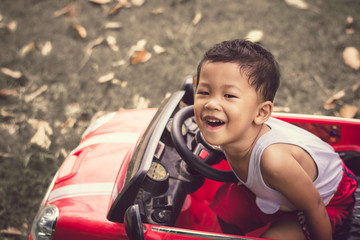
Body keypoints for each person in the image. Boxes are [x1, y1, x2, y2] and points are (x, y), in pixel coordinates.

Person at [193, 39, 358, 240]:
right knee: (227, 203)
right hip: (283, 194)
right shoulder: (231, 130)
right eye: (203, 92)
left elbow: (315, 208)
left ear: (261, 113)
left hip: (330, 201)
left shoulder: (274, 160)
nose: (211, 103)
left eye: (229, 95)